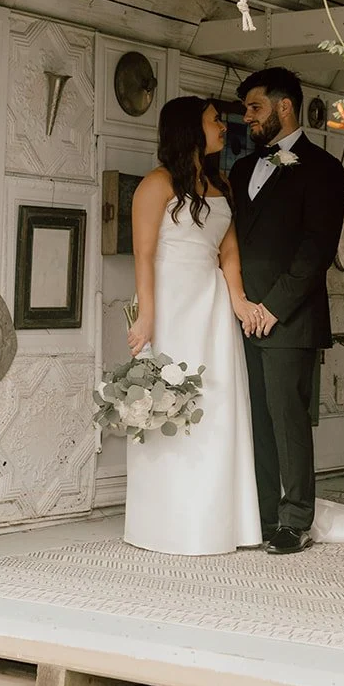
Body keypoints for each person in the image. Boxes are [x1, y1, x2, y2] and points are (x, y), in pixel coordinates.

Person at [121, 96, 264, 555]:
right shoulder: (156, 184)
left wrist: (239, 301)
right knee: (169, 406)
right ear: (189, 129)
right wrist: (146, 314)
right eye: (215, 120)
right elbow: (142, 254)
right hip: (172, 305)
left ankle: (219, 521)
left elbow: (228, 251)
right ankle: (164, 522)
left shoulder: (219, 183)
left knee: (217, 406)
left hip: (212, 306)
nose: (224, 126)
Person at [229, 68, 344, 555]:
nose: (247, 118)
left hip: (289, 319)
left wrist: (271, 308)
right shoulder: (238, 171)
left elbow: (315, 251)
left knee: (287, 421)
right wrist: (241, 304)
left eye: (255, 108)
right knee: (252, 422)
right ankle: (259, 515)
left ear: (285, 107)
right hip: (239, 316)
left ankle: (295, 519)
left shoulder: (324, 168)